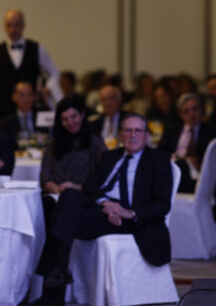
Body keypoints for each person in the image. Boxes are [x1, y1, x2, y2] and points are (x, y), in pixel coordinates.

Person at [32, 113, 173, 305]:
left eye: (138, 131)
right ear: (120, 135)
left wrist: (127, 212)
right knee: (69, 196)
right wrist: (106, 205)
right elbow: (91, 188)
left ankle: (54, 287)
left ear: (146, 135)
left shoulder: (159, 160)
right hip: (103, 214)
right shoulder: (109, 157)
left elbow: (163, 204)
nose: (133, 135)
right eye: (128, 130)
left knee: (59, 216)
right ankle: (58, 277)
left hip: (131, 221)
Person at [0, 9, 62, 119]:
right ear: (4, 26)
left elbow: (55, 72)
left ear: (23, 25)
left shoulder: (37, 48)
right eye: (9, 25)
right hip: (4, 109)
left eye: (17, 25)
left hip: (31, 109)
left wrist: (48, 88)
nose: (13, 29)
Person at [40, 95, 106, 194]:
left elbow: (104, 176)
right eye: (64, 119)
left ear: (82, 115)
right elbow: (45, 177)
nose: (70, 122)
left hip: (86, 197)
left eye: (73, 117)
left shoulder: (96, 142)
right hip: (57, 197)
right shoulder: (54, 144)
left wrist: (77, 188)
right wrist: (57, 189)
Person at [158, 93, 216, 193]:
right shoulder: (172, 130)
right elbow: (160, 153)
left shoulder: (211, 131)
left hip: (200, 174)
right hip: (175, 171)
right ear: (181, 115)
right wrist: (181, 160)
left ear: (201, 110)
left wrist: (198, 164)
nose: (191, 114)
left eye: (195, 109)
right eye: (186, 111)